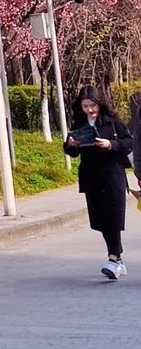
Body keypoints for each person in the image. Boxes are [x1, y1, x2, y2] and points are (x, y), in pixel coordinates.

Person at [64, 85, 132, 279]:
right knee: (101, 220)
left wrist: (110, 144)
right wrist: (70, 145)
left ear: (100, 103)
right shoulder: (79, 123)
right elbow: (72, 152)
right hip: (91, 176)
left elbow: (128, 143)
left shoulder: (112, 121)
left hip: (112, 175)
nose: (90, 110)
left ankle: (113, 258)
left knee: (113, 218)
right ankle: (117, 260)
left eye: (93, 105)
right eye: (86, 106)